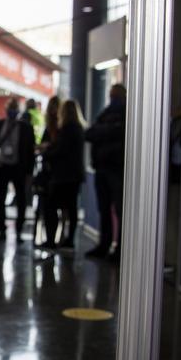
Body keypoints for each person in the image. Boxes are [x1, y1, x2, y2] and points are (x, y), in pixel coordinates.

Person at [84, 84, 127, 259]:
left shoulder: (127, 113)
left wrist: (104, 132)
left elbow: (121, 133)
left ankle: (120, 249)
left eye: (115, 94)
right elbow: (89, 134)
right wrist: (108, 131)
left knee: (120, 210)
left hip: (117, 170)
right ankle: (104, 244)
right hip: (102, 168)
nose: (112, 97)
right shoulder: (105, 113)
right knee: (104, 209)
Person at [42, 99, 87, 249]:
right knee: (71, 208)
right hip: (74, 175)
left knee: (52, 206)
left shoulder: (67, 129)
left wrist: (47, 151)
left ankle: (51, 240)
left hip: (63, 176)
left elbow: (60, 152)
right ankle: (69, 240)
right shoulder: (78, 128)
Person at [0, 98, 36, 242]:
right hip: (2, 166)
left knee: (21, 198)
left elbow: (30, 151)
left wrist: (30, 172)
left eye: (14, 108)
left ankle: (19, 229)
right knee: (0, 198)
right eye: (10, 108)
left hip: (19, 167)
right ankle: (2, 229)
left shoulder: (26, 128)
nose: (12, 111)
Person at [35, 96, 62, 246]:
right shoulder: (50, 128)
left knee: (53, 207)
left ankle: (53, 239)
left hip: (56, 174)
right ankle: (50, 238)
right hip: (48, 173)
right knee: (48, 208)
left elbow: (57, 149)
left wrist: (46, 148)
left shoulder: (61, 128)